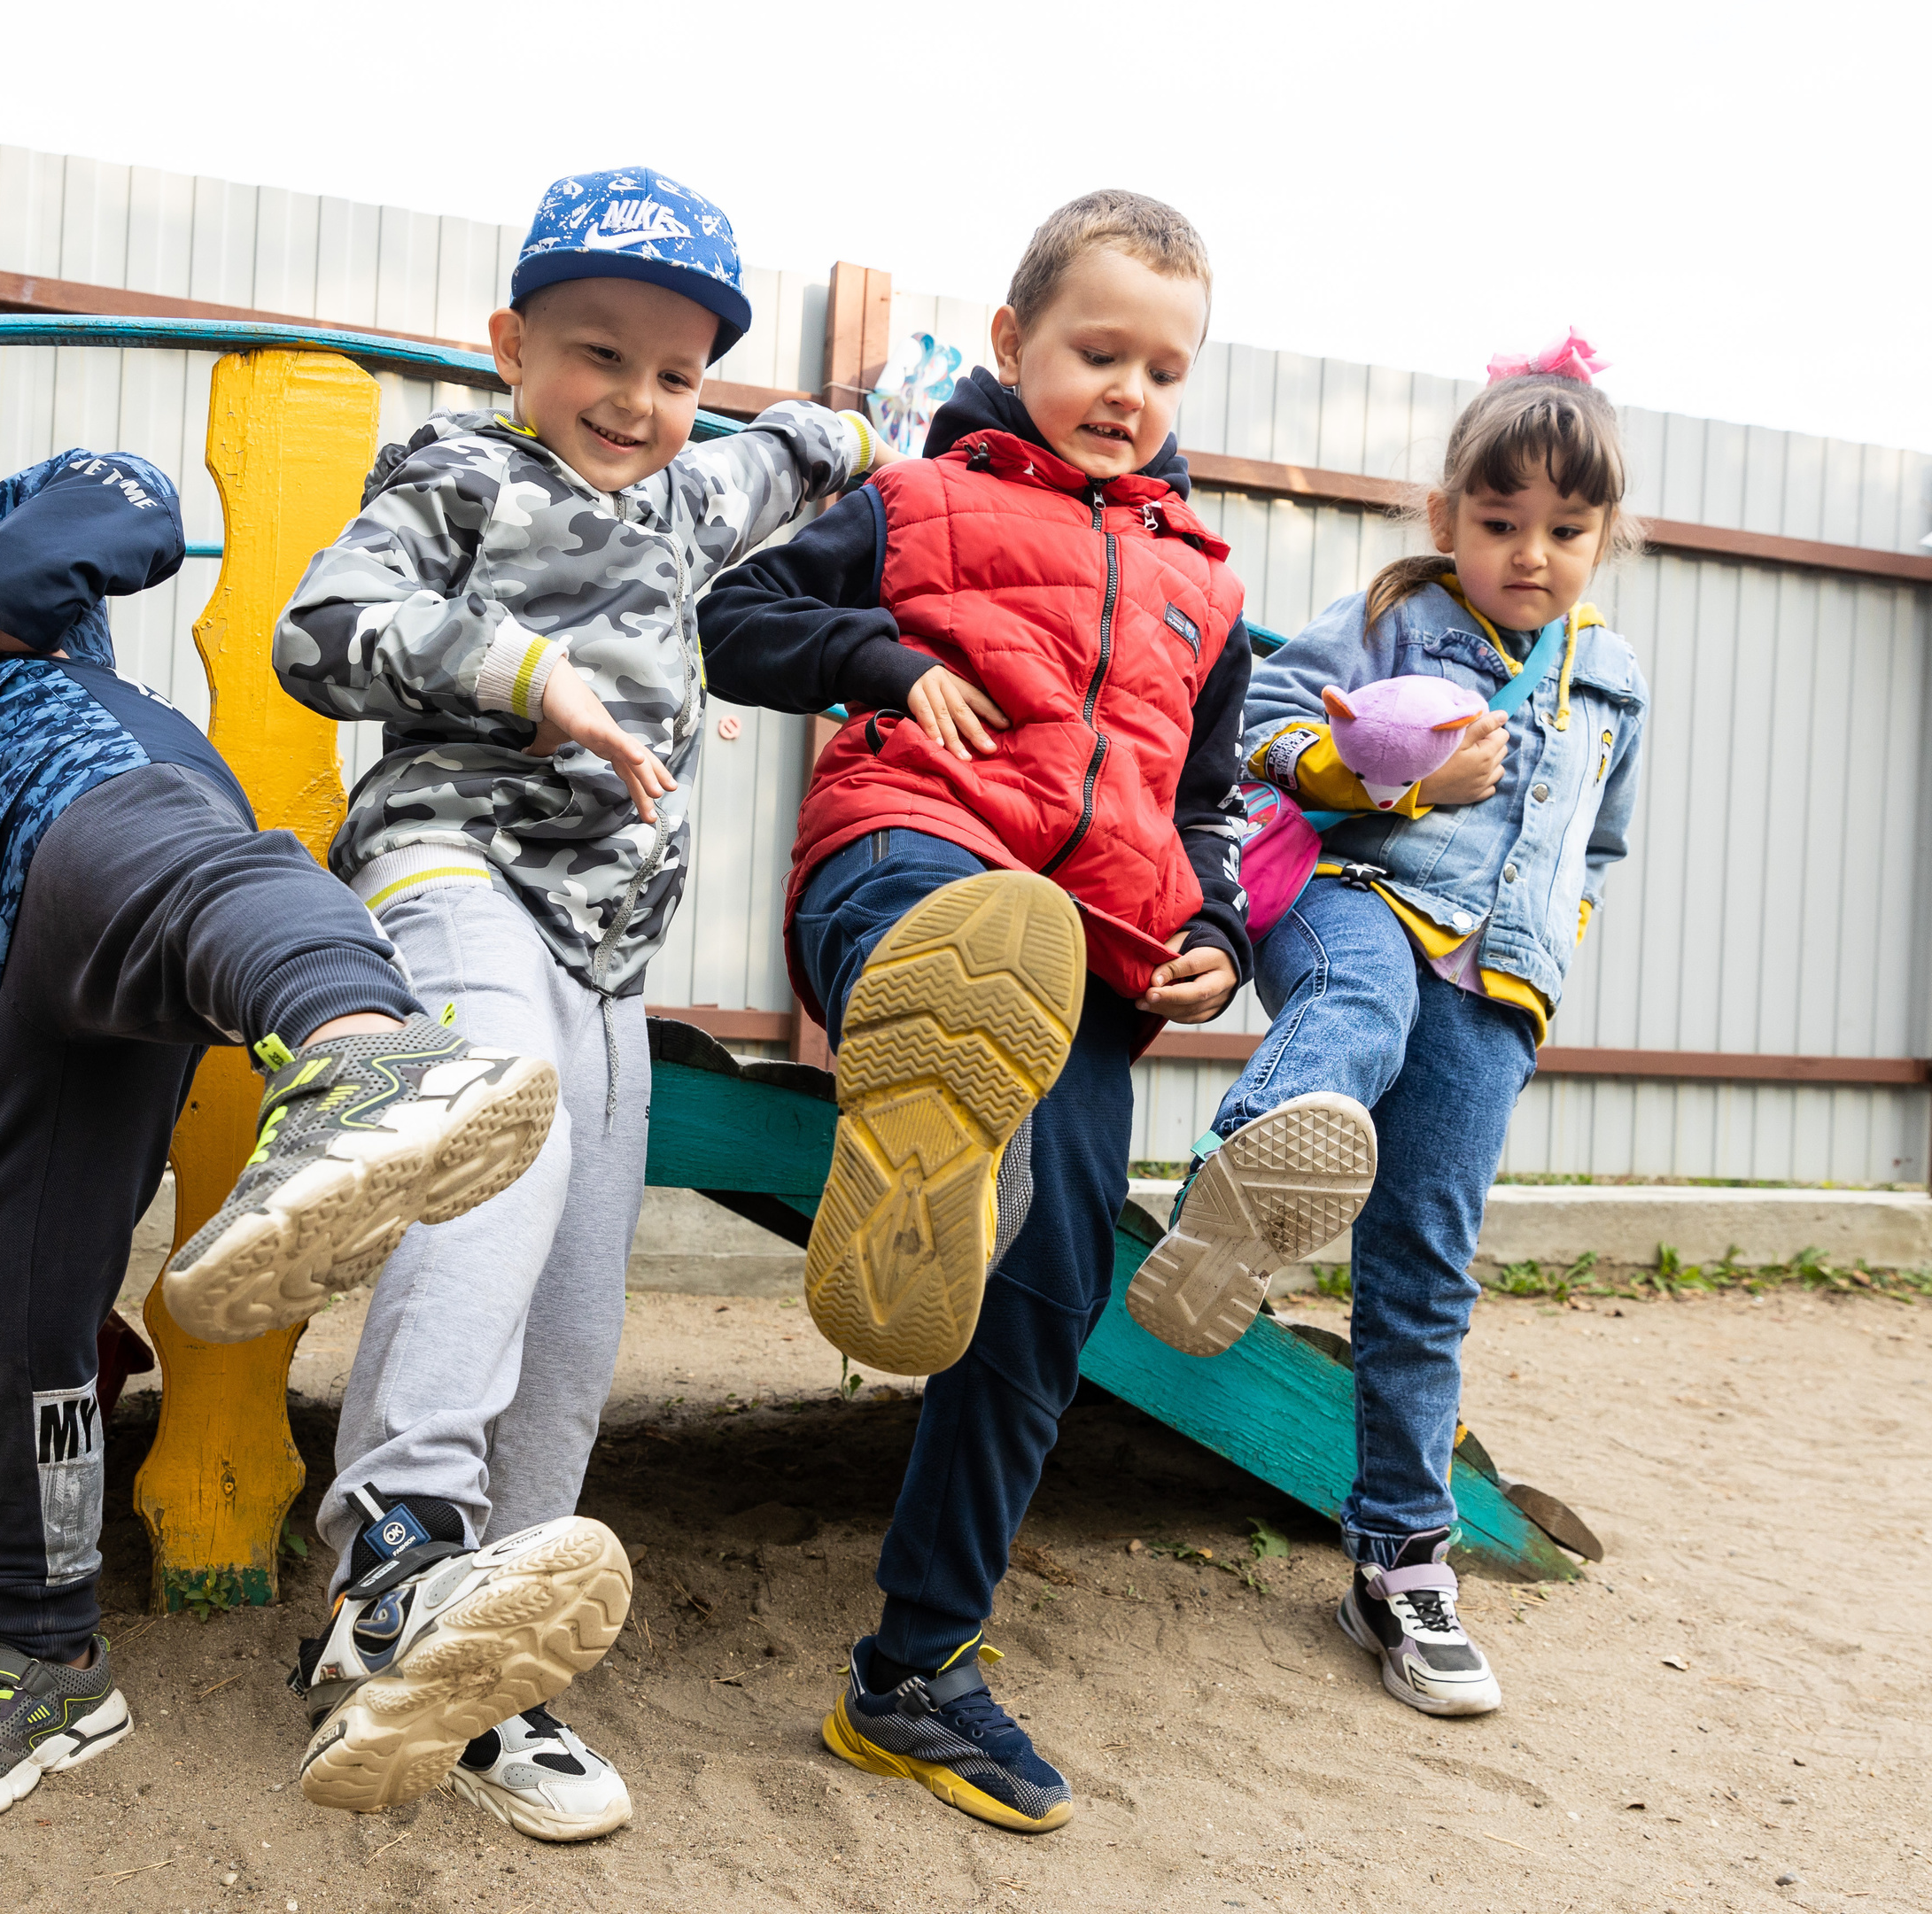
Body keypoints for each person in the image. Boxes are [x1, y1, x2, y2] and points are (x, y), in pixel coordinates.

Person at [0, 454, 609, 1833]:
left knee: (163, 871)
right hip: (6, 1000)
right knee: (5, 1307)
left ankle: (368, 1051)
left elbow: (120, 492)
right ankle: (48, 1655)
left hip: (81, 804)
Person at [268, 165, 892, 1833]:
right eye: (596, 354)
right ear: (511, 348)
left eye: (676, 374)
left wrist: (908, 413)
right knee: (500, 1151)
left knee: (583, 1293)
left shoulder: (694, 493)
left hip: (610, 941)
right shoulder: (463, 468)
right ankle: (394, 1556)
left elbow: (809, 445)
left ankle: (483, 1656)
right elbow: (320, 626)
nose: (635, 400)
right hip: (450, 867)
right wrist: (525, 674)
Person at [696, 189, 1253, 1833]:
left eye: (1165, 367)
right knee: (947, 922)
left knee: (1055, 1283)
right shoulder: (916, 497)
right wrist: (878, 659)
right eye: (1098, 350)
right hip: (906, 852)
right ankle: (924, 1078)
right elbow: (734, 619)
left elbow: (1203, 801)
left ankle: (915, 1667)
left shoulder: (1201, 589)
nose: (1130, 391)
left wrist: (1214, 921)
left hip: (1093, 949)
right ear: (1013, 346)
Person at [1130, 332, 1647, 1717]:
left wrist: (1553, 949)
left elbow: (1598, 842)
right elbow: (1266, 730)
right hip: (1350, 885)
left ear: (1606, 535)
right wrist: (1393, 773)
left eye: (1565, 529)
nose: (1529, 552)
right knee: (1356, 1004)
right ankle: (1234, 1192)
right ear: (1448, 519)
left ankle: (1400, 1569)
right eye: (1499, 523)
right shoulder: (1395, 617)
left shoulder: (1613, 682)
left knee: (1425, 1267)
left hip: (1495, 980)